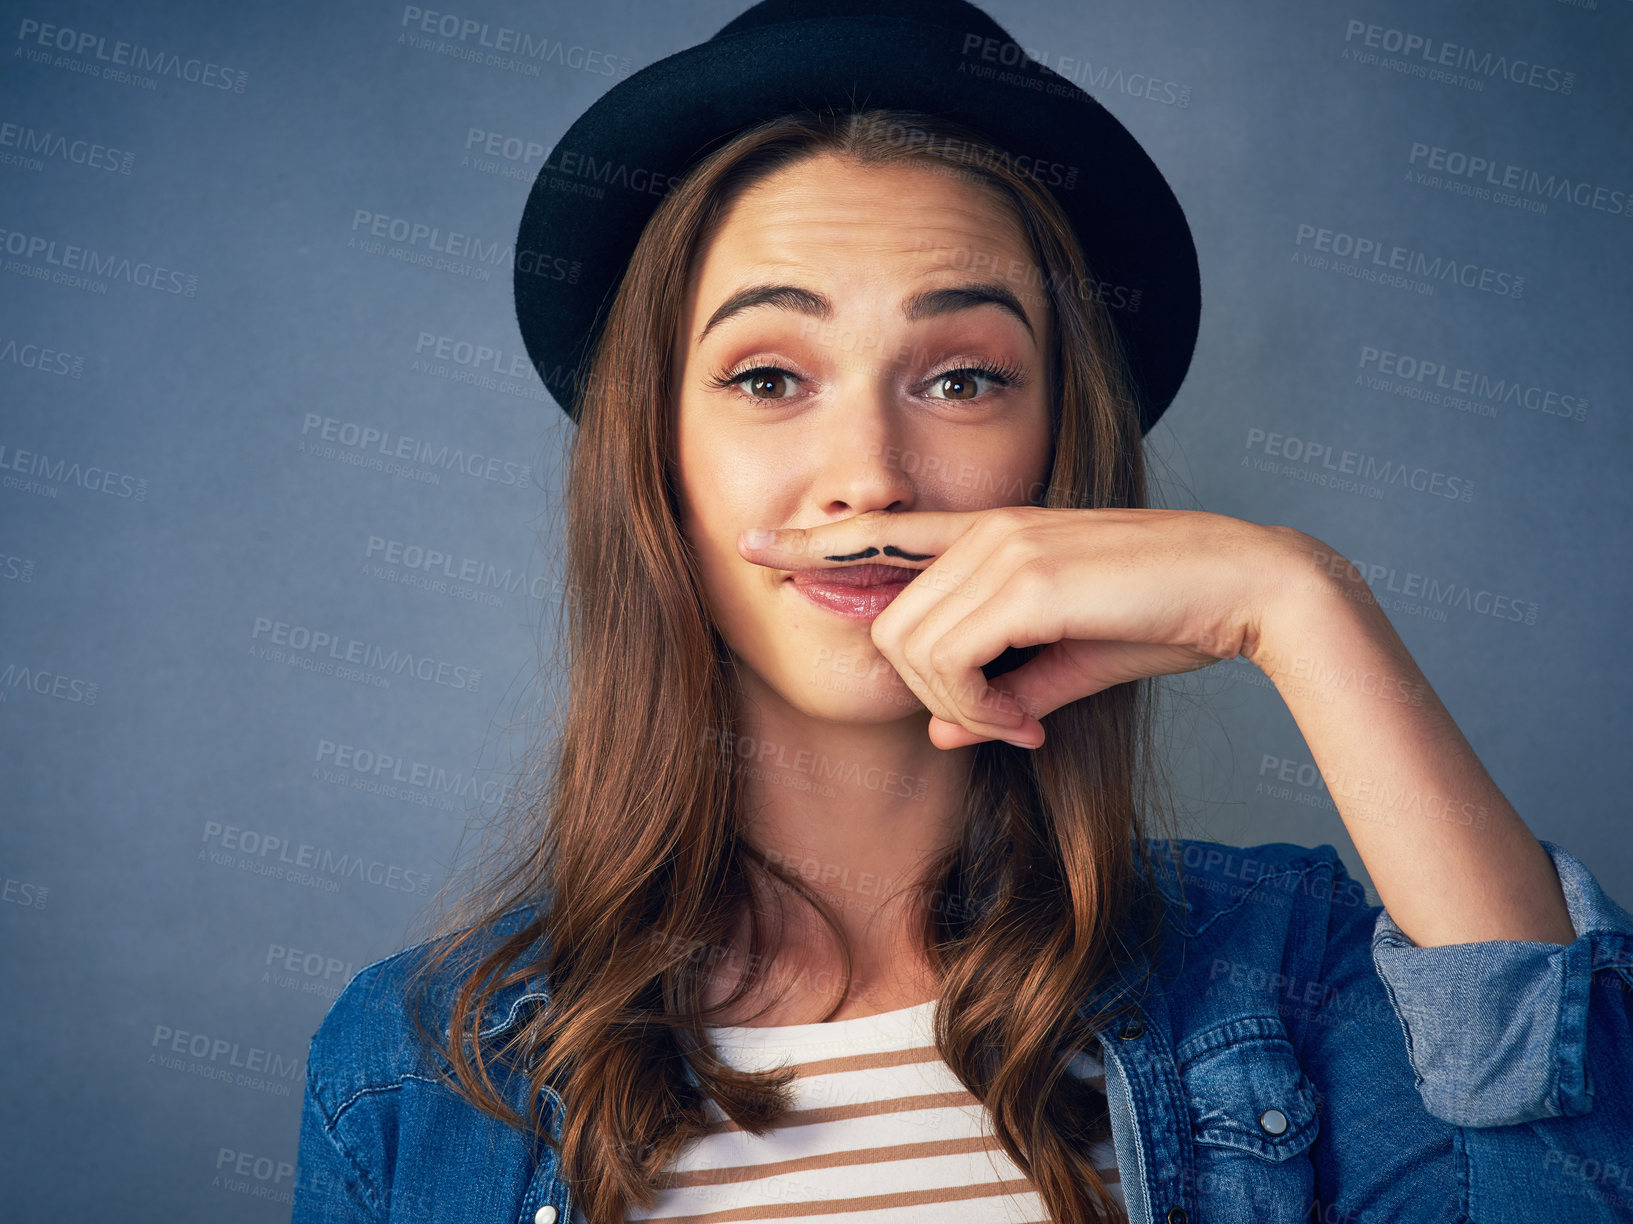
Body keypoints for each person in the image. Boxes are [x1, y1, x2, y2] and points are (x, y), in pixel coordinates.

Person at [290, 3, 1633, 1222]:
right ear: (654, 465)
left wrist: (1300, 601)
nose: (868, 471)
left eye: (960, 382)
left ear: (1059, 456)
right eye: (766, 377)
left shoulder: (1294, 972)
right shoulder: (412, 1073)